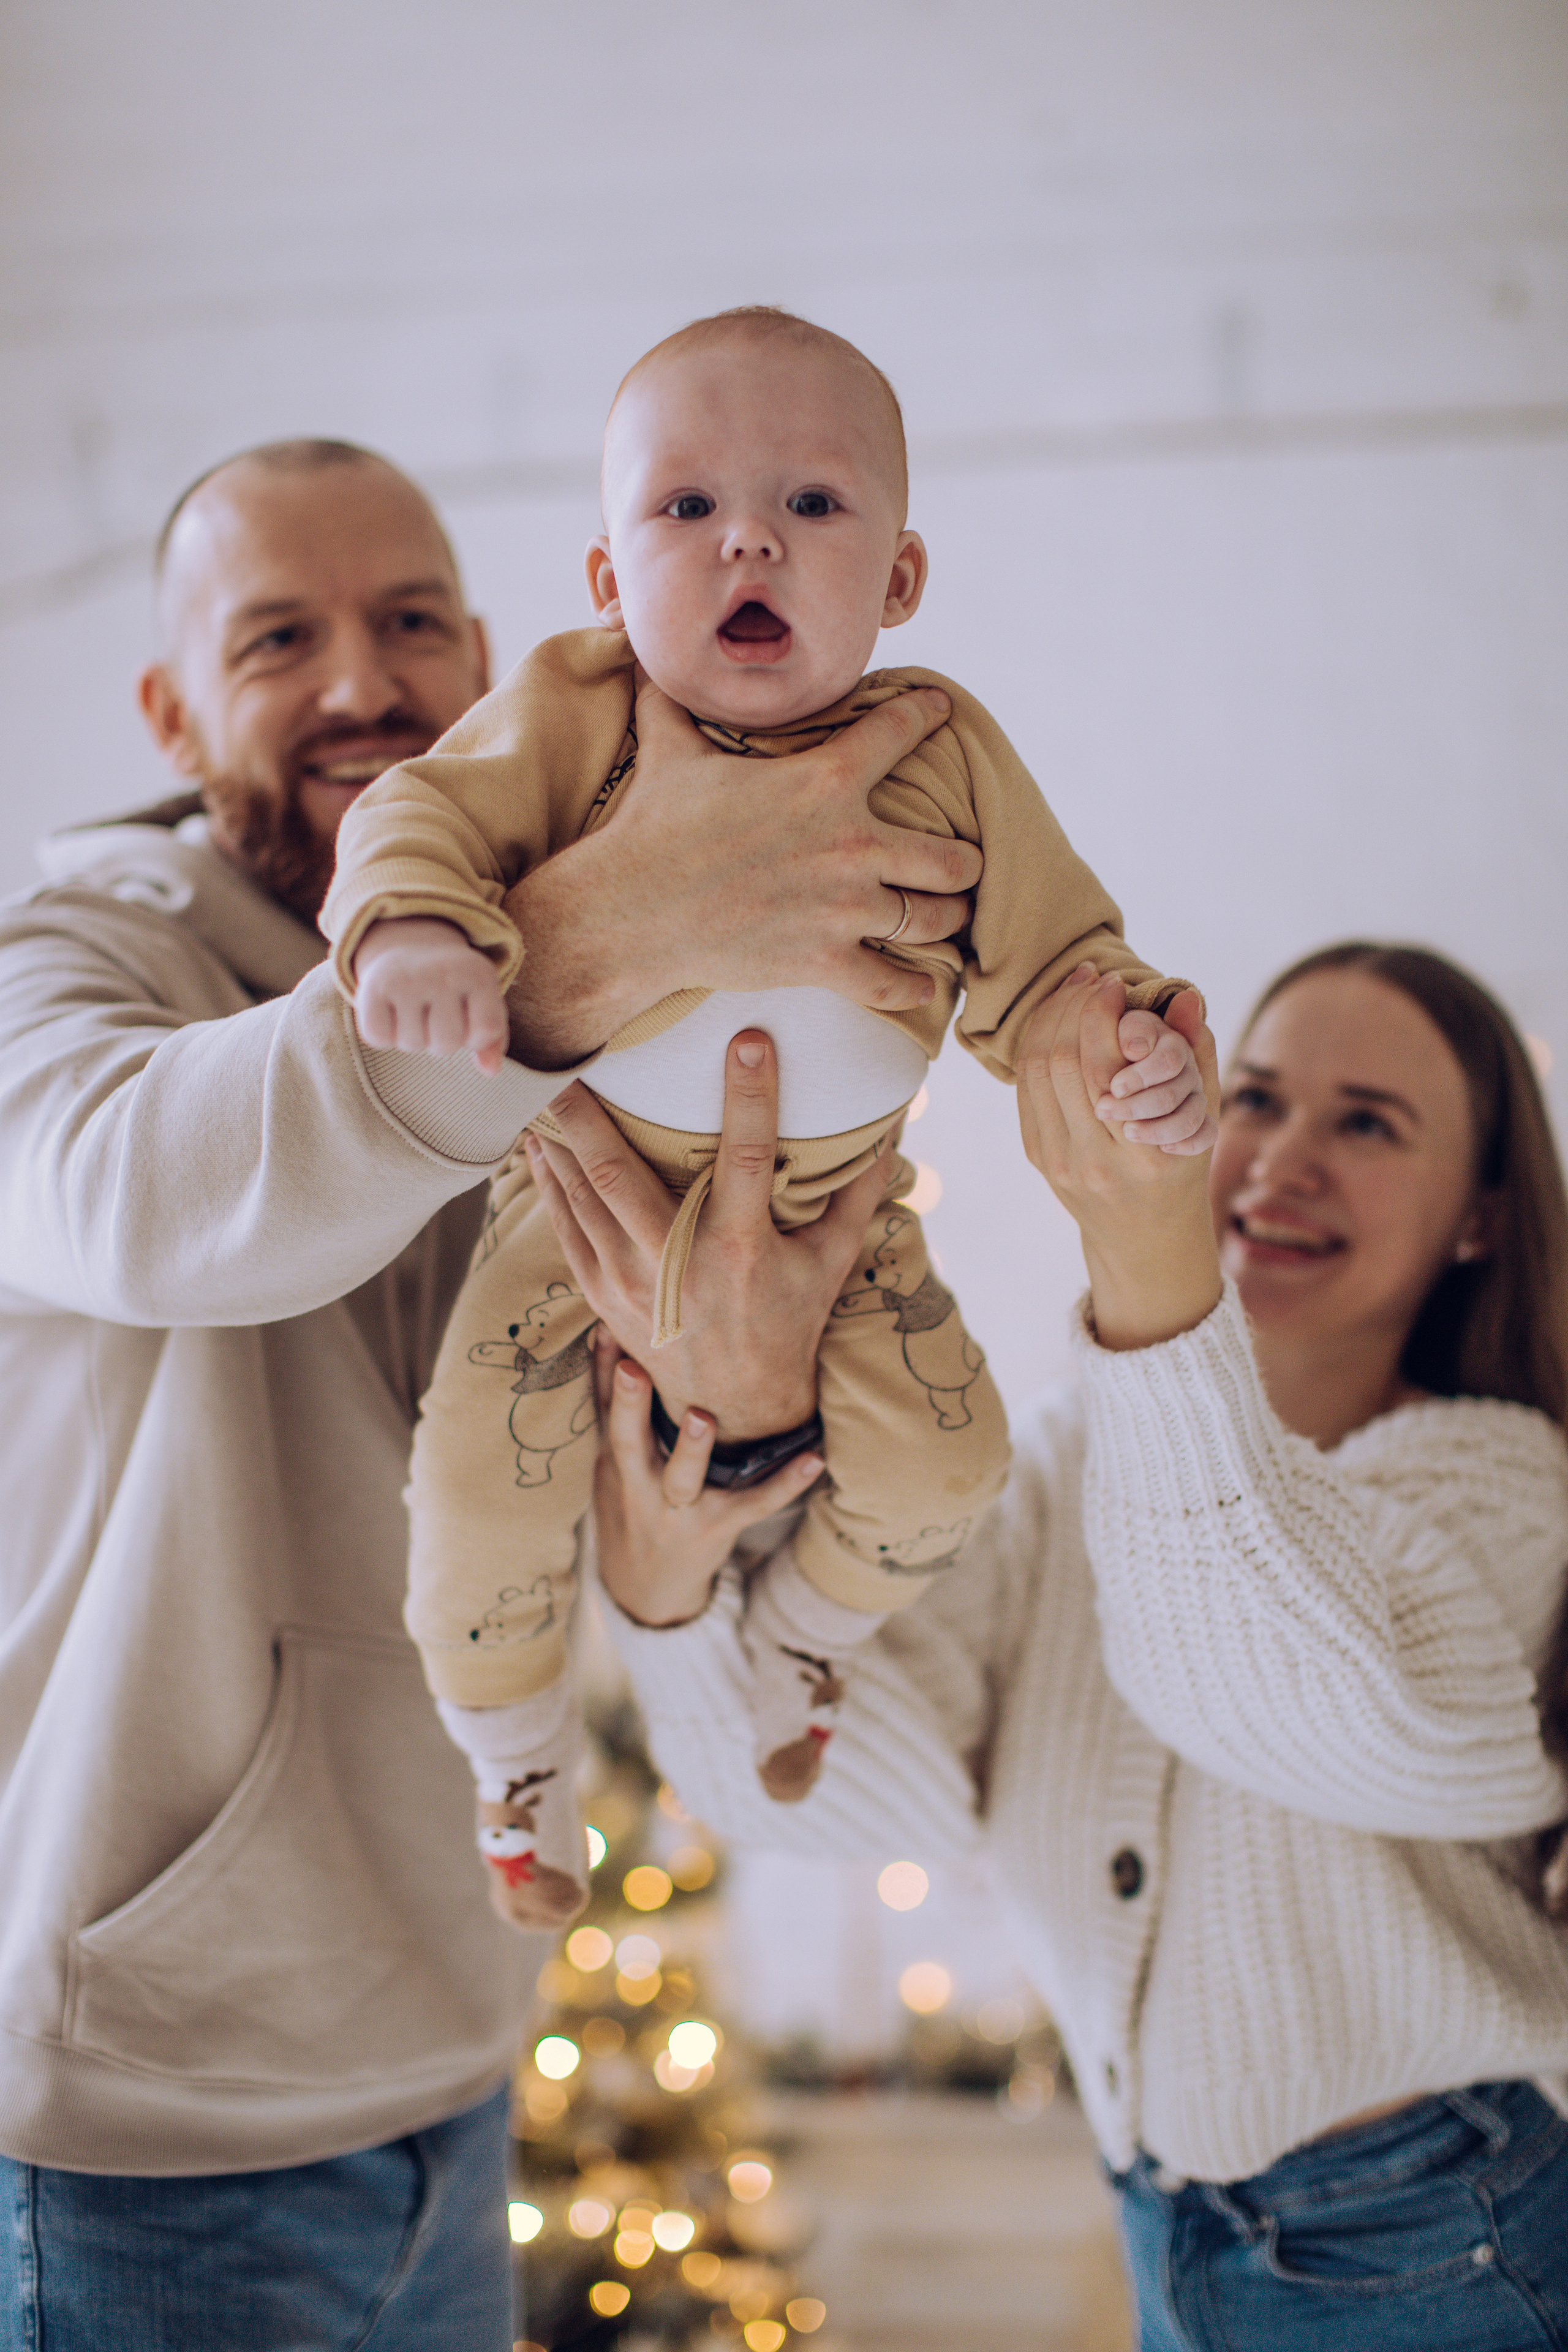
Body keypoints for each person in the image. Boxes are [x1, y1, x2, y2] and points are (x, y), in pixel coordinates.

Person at [0, 434, 983, 2352]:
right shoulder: (77, 962)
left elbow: (597, 1452)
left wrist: (733, 1426)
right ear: (169, 703)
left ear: (490, 660)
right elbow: (135, 1199)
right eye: (282, 635)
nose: (366, 682)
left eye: (414, 621)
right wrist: (587, 954)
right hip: (144, 2120)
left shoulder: (586, 990)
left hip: (459, 2069)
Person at [533, 943, 1568, 2350]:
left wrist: (1144, 1256)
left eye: (1365, 1122)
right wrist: (671, 1594)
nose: (1278, 1158)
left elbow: (1247, 1677)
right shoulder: (1069, 1462)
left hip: (1442, 2234)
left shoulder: (1510, 1493)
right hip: (1171, 2228)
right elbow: (836, 1786)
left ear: (1480, 1222)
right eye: (1254, 1098)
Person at [315, 307, 1212, 1927]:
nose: (750, 537)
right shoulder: (577, 713)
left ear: (902, 581)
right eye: (685, 509)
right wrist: (419, 932)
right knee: (475, 1489)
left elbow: (1053, 954)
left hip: (847, 1217)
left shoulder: (939, 750)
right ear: (606, 581)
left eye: (812, 504)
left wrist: (1116, 1034)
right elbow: (419, 815)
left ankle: (803, 1634)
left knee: (953, 1459)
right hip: (568, 1210)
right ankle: (514, 1757)